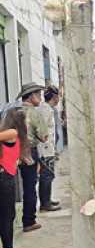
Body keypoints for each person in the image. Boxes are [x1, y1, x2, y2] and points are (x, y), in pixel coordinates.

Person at [0, 109, 32, 248]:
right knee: (7, 216)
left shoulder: (11, 134)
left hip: (6, 176)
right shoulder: (12, 132)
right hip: (4, 178)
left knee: (7, 216)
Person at [17, 83, 49, 232]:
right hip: (29, 151)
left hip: (10, 152)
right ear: (31, 96)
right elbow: (44, 137)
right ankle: (29, 220)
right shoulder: (34, 113)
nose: (41, 98)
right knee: (30, 187)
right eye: (39, 95)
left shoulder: (11, 110)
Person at [38, 86, 62, 212]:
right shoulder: (45, 110)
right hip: (45, 149)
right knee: (46, 175)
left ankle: (47, 199)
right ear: (54, 97)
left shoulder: (48, 109)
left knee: (49, 175)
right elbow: (42, 130)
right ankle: (45, 203)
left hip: (49, 148)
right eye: (58, 96)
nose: (59, 99)